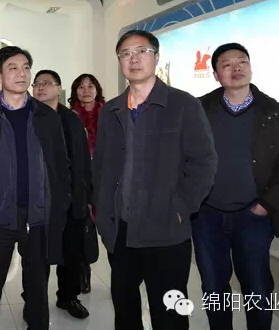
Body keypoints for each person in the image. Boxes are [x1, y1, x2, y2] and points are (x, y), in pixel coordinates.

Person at [92, 29, 217, 330]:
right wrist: (102, 215)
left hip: (166, 230)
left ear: (156, 57)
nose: (133, 59)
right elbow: (102, 167)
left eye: (141, 51)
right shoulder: (111, 110)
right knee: (125, 309)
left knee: (169, 314)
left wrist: (181, 207)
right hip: (121, 231)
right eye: (125, 54)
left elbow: (204, 162)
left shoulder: (183, 104)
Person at [0, 46, 71, 330]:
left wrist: (60, 203)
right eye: (13, 68)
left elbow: (61, 166)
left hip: (37, 217)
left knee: (37, 288)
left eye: (25, 67)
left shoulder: (47, 117)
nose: (21, 73)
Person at [195, 43, 279, 330]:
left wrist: (267, 205)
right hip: (206, 216)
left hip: (253, 216)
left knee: (258, 286)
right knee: (213, 287)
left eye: (242, 61)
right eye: (227, 64)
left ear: (251, 67)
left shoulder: (276, 113)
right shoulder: (199, 109)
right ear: (216, 75)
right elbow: (182, 157)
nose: (236, 68)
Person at [31, 70, 92, 319]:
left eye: (47, 83)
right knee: (38, 257)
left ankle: (68, 297)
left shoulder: (72, 120)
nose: (41, 87)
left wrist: (87, 197)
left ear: (59, 89)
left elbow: (84, 162)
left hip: (72, 199)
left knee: (71, 254)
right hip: (39, 201)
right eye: (37, 83)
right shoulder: (28, 118)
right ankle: (34, 301)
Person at [68, 72, 105, 293]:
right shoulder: (69, 117)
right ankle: (83, 272)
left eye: (91, 86)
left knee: (111, 232)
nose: (86, 90)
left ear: (97, 90)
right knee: (82, 231)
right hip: (80, 183)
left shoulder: (109, 115)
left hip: (105, 182)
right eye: (81, 87)